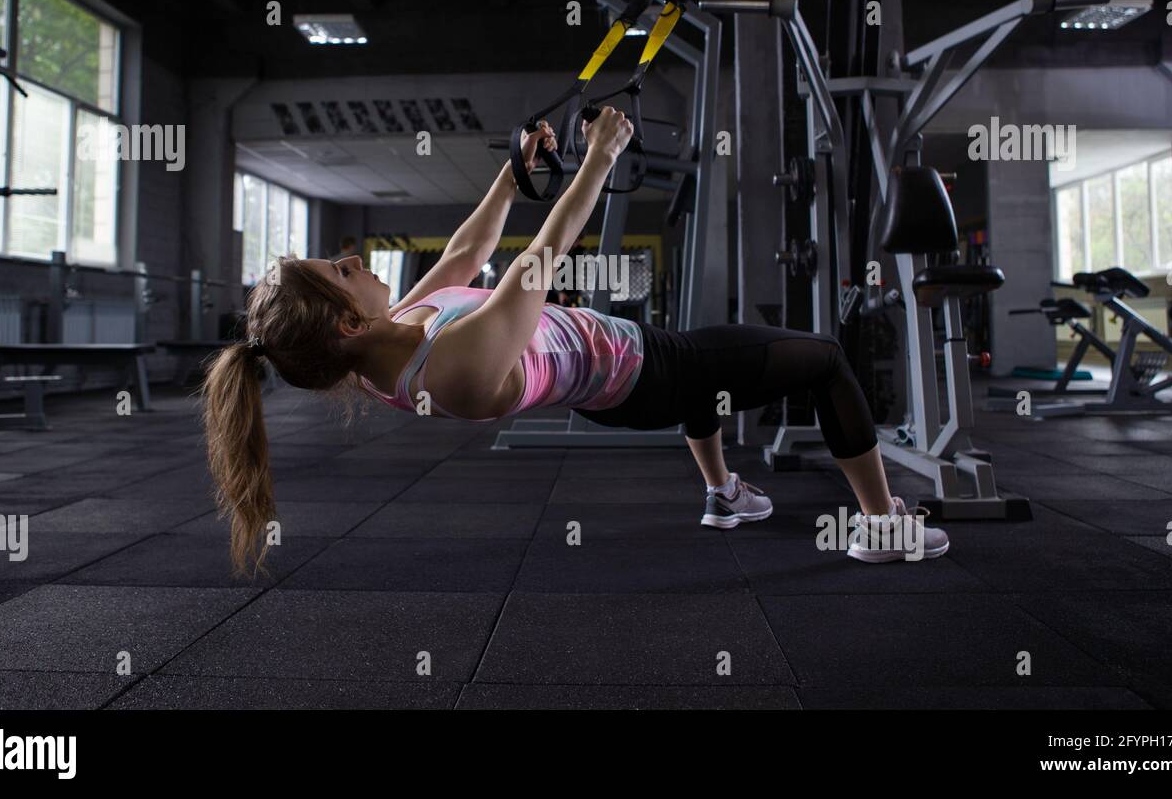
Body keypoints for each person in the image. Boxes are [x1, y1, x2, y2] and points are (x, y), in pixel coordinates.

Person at [203, 109, 947, 574]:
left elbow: (467, 255)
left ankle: (724, 494)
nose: (357, 262)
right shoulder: (449, 372)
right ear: (345, 322)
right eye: (341, 270)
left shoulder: (390, 339)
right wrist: (602, 156)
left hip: (627, 367)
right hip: (644, 377)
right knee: (822, 358)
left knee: (707, 372)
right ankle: (882, 523)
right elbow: (540, 258)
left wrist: (511, 174)